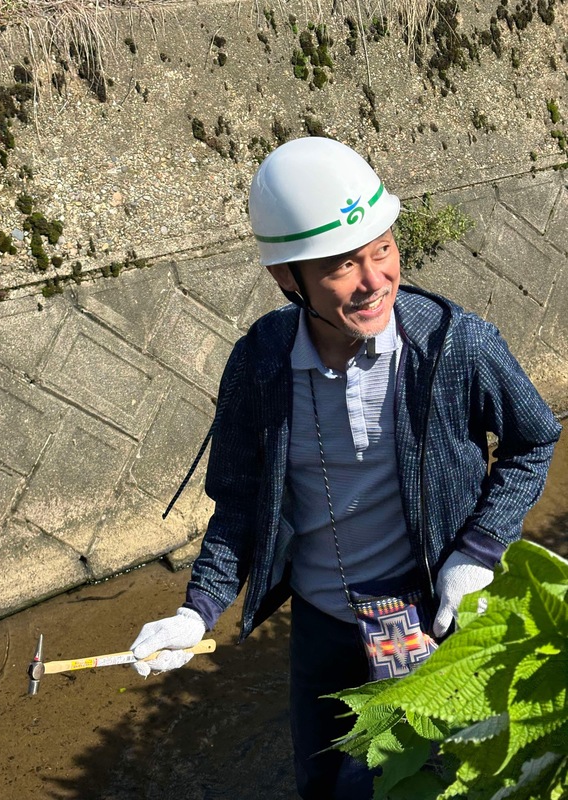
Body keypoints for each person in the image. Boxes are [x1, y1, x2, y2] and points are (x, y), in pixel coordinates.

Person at [129, 137, 562, 799]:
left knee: (428, 781)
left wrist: (479, 549)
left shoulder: (456, 345)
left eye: (382, 250)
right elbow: (240, 504)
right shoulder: (261, 363)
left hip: (429, 621)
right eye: (341, 265)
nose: (373, 281)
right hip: (321, 627)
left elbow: (534, 441)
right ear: (286, 278)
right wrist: (199, 611)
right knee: (324, 781)